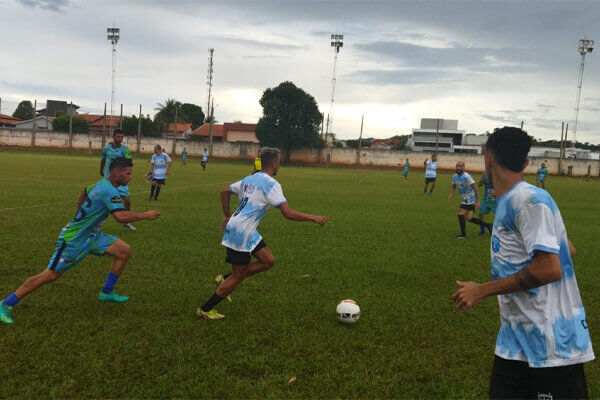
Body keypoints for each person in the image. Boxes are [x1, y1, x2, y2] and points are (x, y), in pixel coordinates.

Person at [452, 127, 594, 399]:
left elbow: (551, 267)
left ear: (488, 160)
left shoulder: (528, 200)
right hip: (514, 342)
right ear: (526, 163)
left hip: (551, 348)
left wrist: (481, 290)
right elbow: (569, 250)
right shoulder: (511, 201)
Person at [0, 158, 160, 325]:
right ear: (116, 173)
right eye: (128, 174)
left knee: (124, 251)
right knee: (51, 274)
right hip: (74, 239)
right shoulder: (110, 191)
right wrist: (145, 215)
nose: (131, 177)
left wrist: (80, 215)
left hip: (92, 235)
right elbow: (120, 217)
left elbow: (82, 192)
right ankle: (5, 304)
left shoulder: (101, 183)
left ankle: (107, 292)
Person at [196, 147, 330, 320]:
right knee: (239, 275)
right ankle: (206, 309)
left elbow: (224, 191)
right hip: (242, 232)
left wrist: (228, 215)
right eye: (279, 163)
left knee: (268, 261)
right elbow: (287, 214)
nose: (279, 165)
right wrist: (313, 217)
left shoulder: (250, 179)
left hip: (246, 230)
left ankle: (224, 278)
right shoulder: (271, 184)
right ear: (274, 163)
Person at [100, 128, 136, 231]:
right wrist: (101, 170)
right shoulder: (106, 149)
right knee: (103, 201)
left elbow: (129, 161)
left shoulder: (125, 149)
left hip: (121, 179)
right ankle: (95, 220)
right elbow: (103, 160)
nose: (120, 139)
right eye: (118, 136)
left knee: (127, 201)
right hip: (109, 179)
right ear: (113, 137)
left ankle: (126, 222)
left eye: (121, 137)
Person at [448, 161, 492, 239]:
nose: (458, 168)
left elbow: (475, 188)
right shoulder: (454, 176)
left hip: (470, 199)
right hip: (465, 198)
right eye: (457, 166)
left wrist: (477, 201)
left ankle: (463, 235)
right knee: (469, 218)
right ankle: (488, 225)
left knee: (460, 214)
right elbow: (453, 186)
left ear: (464, 167)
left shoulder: (467, 177)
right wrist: (451, 194)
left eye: (460, 166)